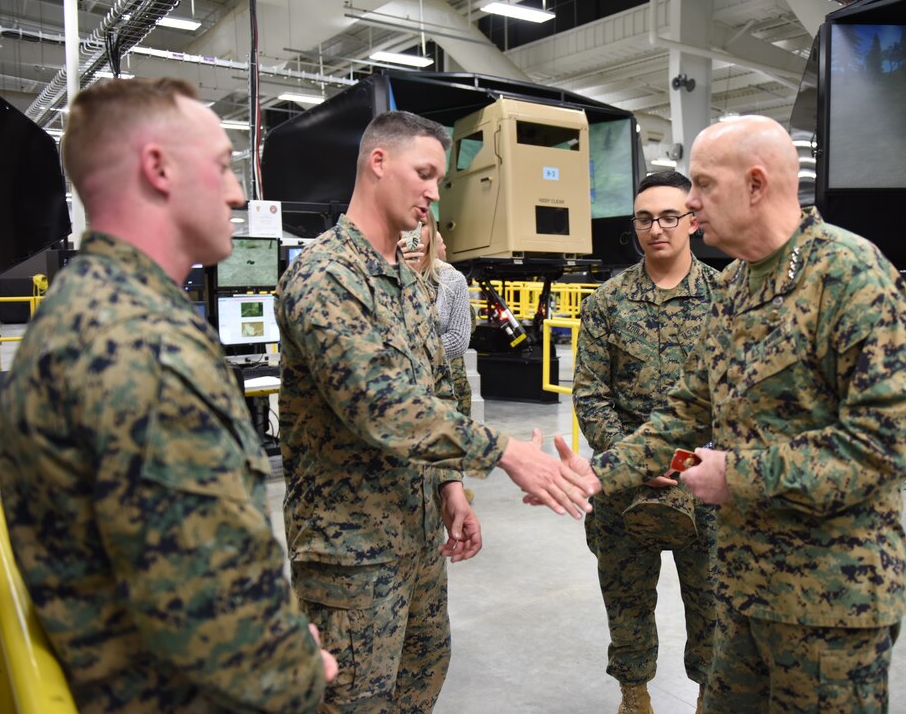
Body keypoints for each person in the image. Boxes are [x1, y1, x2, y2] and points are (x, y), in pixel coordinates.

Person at [553, 115, 906, 711]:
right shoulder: (736, 289)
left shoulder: (849, 278)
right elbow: (686, 412)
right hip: (742, 593)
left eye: (702, 187)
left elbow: (890, 448)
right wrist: (601, 473)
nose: (692, 206)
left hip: (829, 605)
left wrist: (737, 476)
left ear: (755, 185)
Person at [0, 77, 336, 712]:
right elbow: (221, 631)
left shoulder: (92, 311)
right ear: (158, 168)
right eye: (221, 166)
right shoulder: (143, 348)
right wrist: (293, 664)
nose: (237, 193)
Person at [275, 110, 595, 711]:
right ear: (378, 163)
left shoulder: (413, 283)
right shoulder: (326, 276)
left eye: (440, 179)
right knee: (352, 701)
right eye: (424, 173)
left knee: (421, 679)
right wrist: (501, 451)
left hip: (417, 539)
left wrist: (450, 486)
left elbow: (435, 392)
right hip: (351, 554)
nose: (433, 192)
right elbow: (381, 407)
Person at [572, 170, 718, 713]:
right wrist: (636, 462)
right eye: (644, 218)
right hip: (623, 483)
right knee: (627, 595)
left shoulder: (724, 299)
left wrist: (680, 462)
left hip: (704, 482)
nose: (656, 228)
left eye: (669, 216)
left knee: (712, 601)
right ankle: (635, 697)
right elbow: (590, 396)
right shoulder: (608, 302)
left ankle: (708, 695)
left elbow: (739, 398)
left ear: (693, 220)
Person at [399, 209, 474, 417]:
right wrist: (401, 271)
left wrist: (409, 354)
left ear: (431, 231)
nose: (412, 231)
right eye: (406, 224)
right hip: (397, 392)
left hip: (440, 391)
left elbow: (458, 340)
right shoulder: (383, 275)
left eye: (420, 224)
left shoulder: (452, 280)